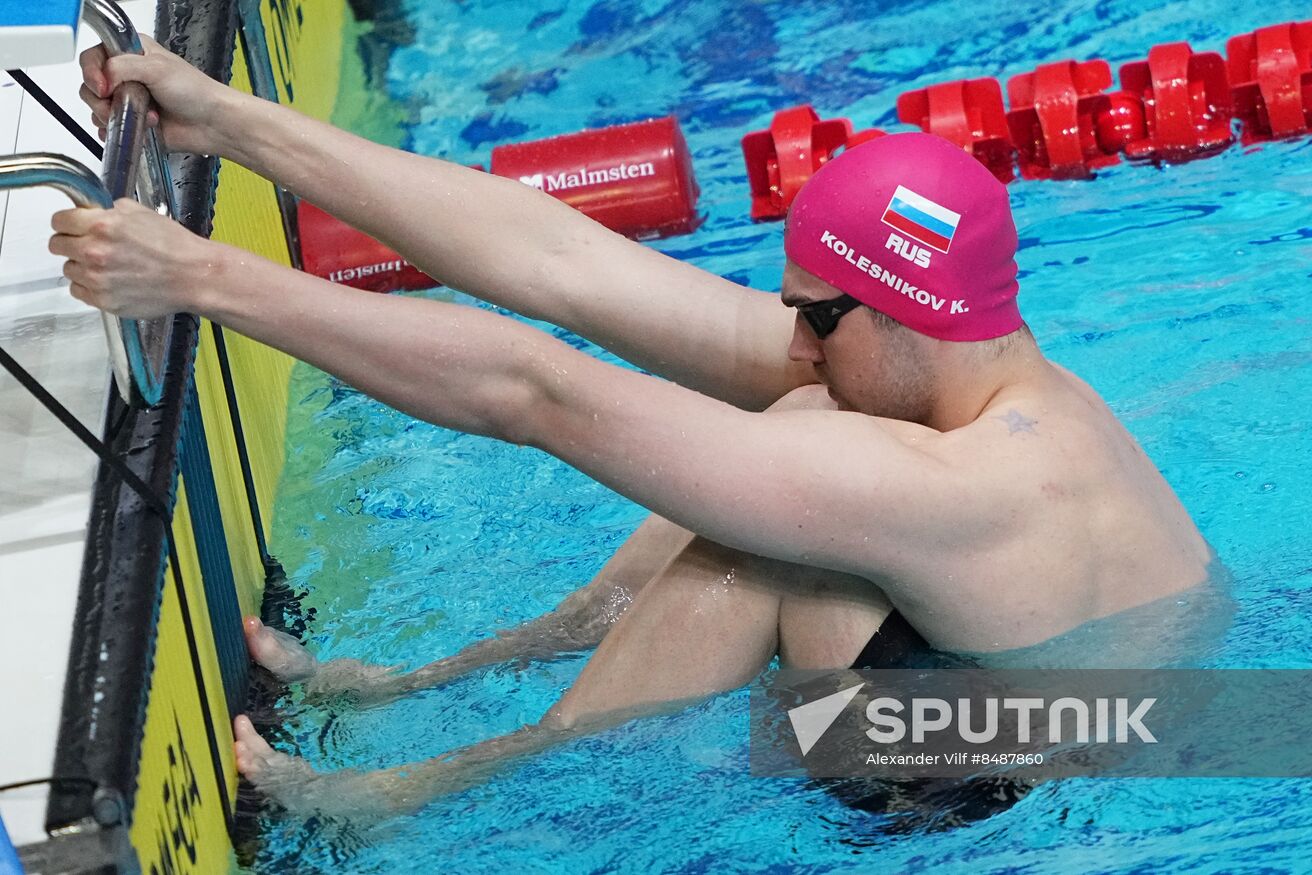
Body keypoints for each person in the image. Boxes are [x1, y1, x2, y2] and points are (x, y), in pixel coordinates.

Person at [57, 38, 1219, 816]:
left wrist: (205, 280)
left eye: (815, 315)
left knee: (778, 504)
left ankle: (426, 791)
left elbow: (533, 390)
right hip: (1063, 696)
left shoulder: (956, 485)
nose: (796, 340)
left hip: (1001, 799)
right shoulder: (961, 364)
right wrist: (231, 122)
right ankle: (422, 679)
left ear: (899, 304)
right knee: (789, 433)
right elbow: (559, 260)